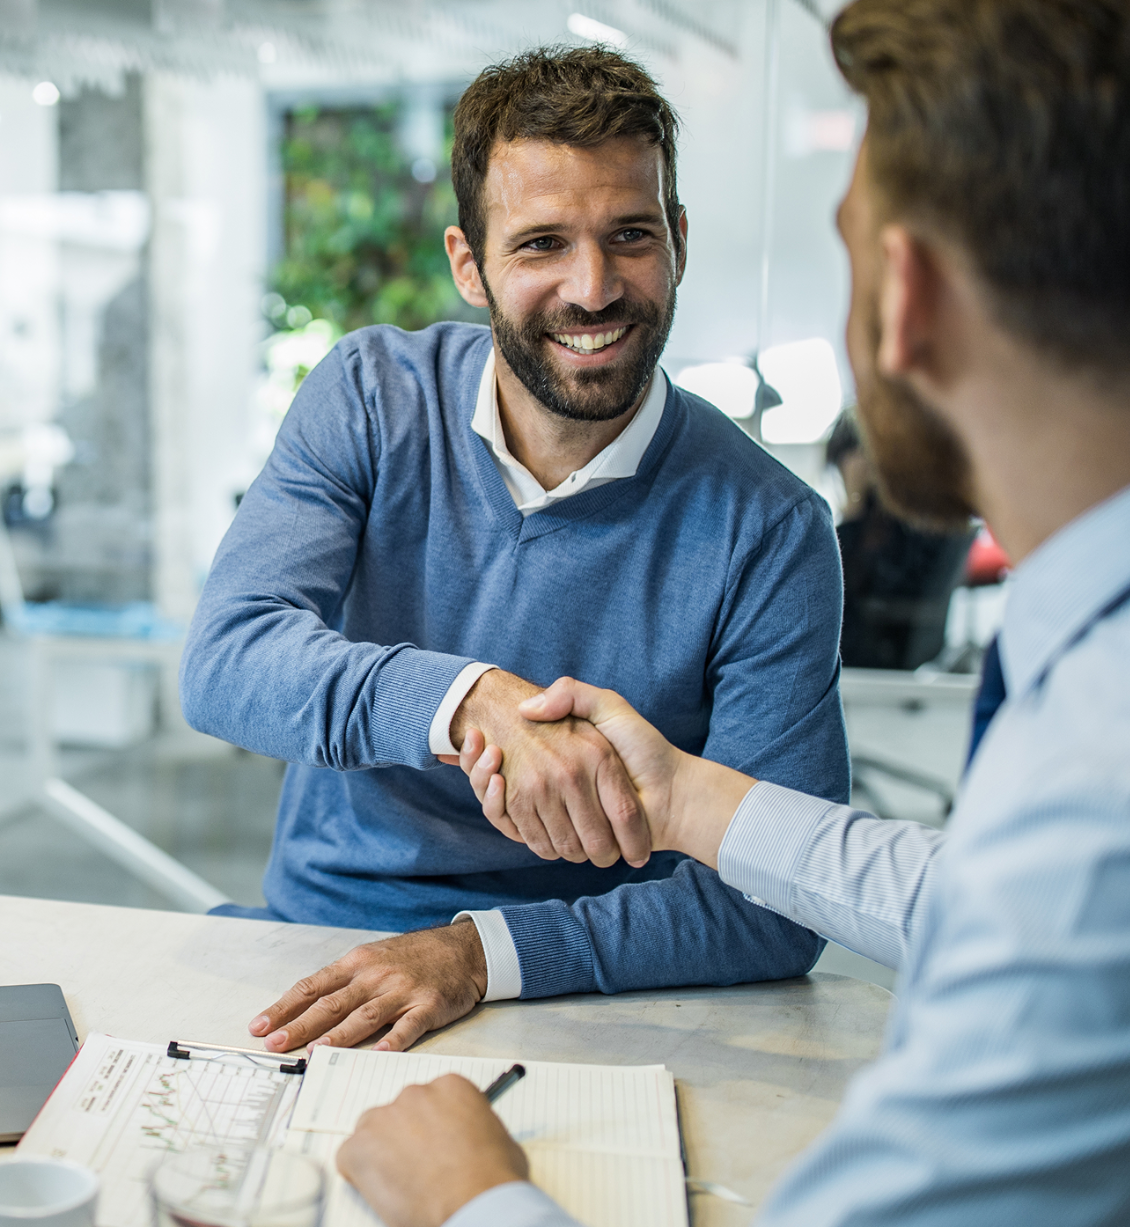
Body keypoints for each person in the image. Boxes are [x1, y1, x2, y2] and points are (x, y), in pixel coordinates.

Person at [332, 1, 1130, 1224]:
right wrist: (683, 798)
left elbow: (1073, 889)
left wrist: (468, 1198)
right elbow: (984, 896)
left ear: (904, 292)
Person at [179, 45, 850, 1055]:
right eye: (540, 244)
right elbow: (227, 663)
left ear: (676, 239)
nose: (591, 289)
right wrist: (469, 702)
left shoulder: (769, 530)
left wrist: (477, 954)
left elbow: (778, 903)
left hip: (590, 979)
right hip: (318, 946)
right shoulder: (371, 398)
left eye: (628, 235)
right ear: (468, 262)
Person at [824, 414, 971, 669]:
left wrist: (854, 507)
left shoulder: (917, 527)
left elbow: (842, 590)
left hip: (883, 655)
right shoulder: (874, 524)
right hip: (866, 657)